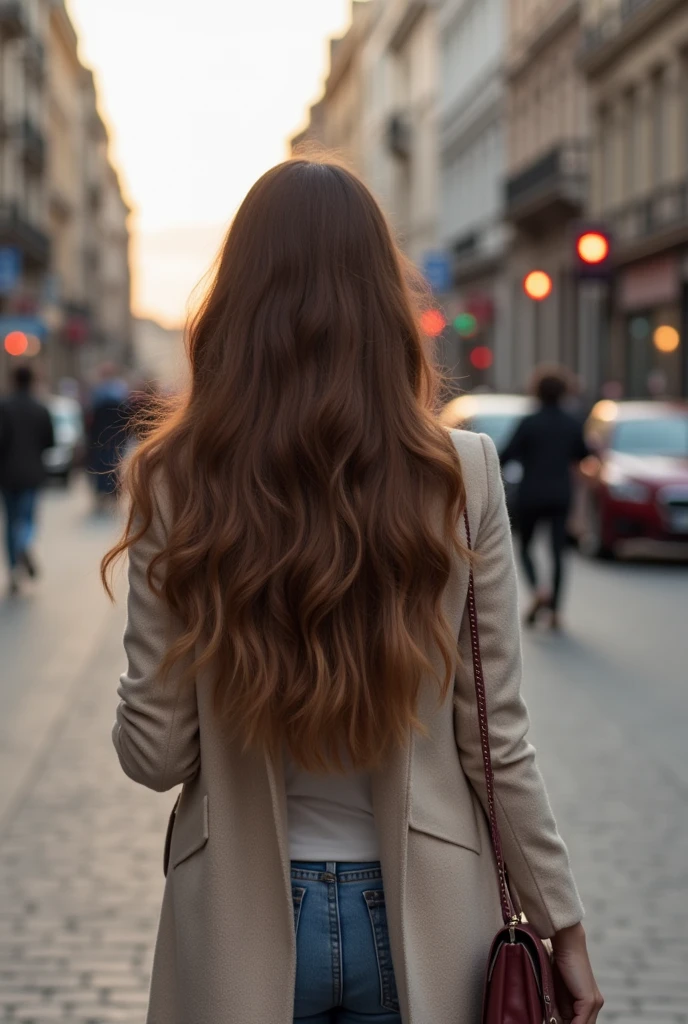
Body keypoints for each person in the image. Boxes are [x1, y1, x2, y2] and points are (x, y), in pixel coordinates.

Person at [103, 160, 602, 1024]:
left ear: (236, 306)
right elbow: (495, 740)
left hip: (239, 918)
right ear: (386, 308)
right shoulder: (463, 475)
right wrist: (561, 919)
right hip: (425, 920)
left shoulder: (175, 479)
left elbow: (153, 755)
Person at [500, 366, 589, 630]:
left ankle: (539, 590)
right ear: (564, 392)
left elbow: (505, 456)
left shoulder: (529, 422)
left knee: (525, 547)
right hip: (561, 495)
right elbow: (583, 456)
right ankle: (556, 612)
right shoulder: (572, 423)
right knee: (558, 553)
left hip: (531, 494)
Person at [0, 364, 54, 595]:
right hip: (32, 473)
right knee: (28, 518)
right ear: (32, 381)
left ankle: (13, 570)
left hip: (7, 474)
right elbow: (49, 441)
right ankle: (24, 545)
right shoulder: (40, 408)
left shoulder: (4, 407)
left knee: (11, 520)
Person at [86, 363, 131, 512]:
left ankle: (105, 497)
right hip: (114, 438)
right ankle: (111, 496)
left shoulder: (98, 393)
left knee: (105, 467)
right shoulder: (119, 392)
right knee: (112, 467)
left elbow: (92, 420)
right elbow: (126, 418)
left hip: (103, 438)